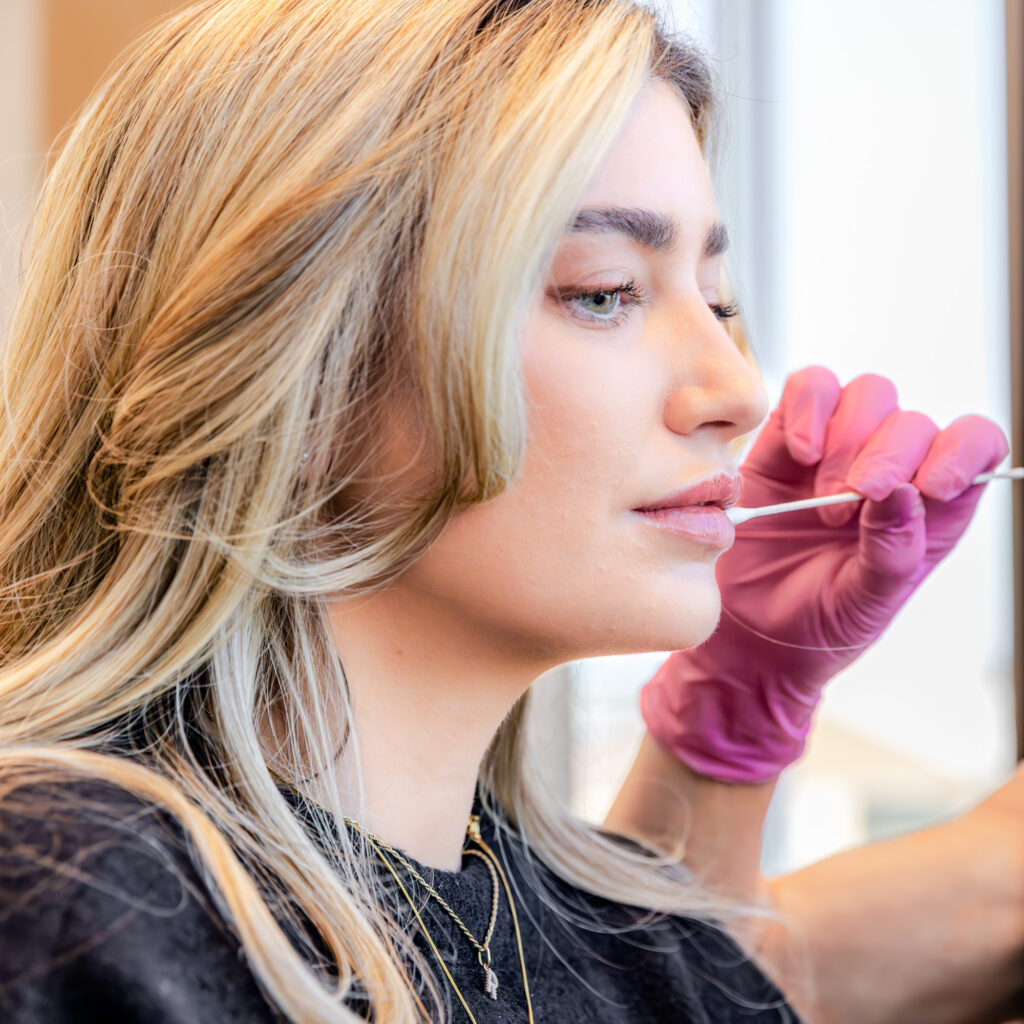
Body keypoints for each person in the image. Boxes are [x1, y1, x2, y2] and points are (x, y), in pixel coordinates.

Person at [0, 1, 1020, 1022]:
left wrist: (732, 721)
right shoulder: (67, 904)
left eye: (716, 302)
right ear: (298, 367)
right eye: (604, 291)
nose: (736, 386)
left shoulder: (568, 929)